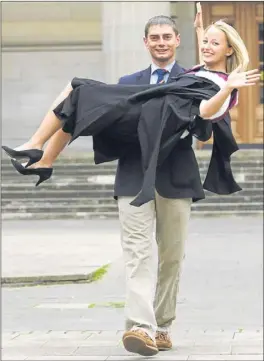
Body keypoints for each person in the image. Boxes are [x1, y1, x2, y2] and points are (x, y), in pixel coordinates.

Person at [2, 6, 260, 357]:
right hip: (133, 173)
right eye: (155, 37)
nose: (162, 42)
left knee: (170, 257)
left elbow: (208, 106)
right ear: (145, 42)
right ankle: (141, 326)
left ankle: (162, 325)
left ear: (177, 40)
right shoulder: (131, 82)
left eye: (168, 37)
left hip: (176, 175)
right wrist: (204, 29)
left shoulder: (203, 79)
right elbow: (211, 53)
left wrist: (225, 75)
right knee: (79, 94)